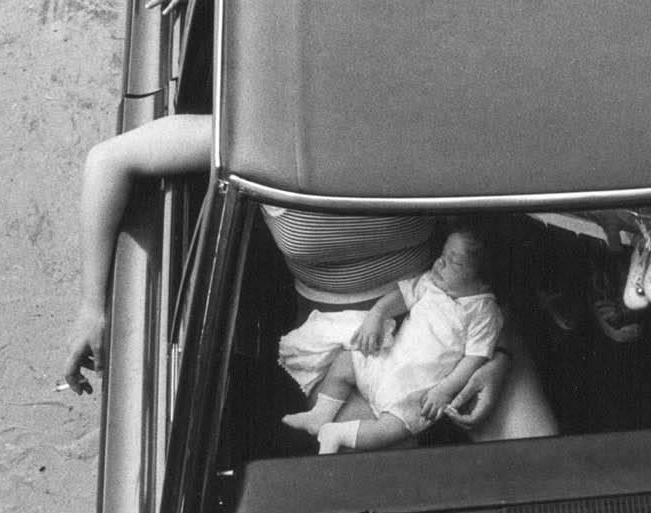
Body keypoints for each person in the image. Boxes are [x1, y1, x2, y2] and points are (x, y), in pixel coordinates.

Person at [59, 114, 558, 441]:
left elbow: (494, 239)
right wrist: (91, 307)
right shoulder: (256, 130)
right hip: (340, 337)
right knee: (380, 478)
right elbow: (109, 160)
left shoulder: (421, 121)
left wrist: (500, 358)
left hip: (449, 307)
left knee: (539, 461)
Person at [280, 226, 505, 454]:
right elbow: (402, 297)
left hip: (415, 390)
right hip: (386, 363)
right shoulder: (430, 283)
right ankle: (320, 416)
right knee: (346, 361)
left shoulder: (483, 312)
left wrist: (445, 391)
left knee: (393, 429)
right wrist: (377, 315)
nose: (439, 263)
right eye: (442, 255)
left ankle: (338, 435)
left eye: (455, 263)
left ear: (483, 281)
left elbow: (474, 358)